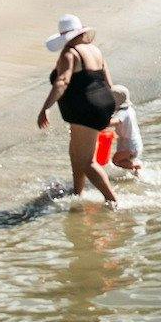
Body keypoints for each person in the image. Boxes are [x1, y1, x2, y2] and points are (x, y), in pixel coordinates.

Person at [37, 14, 120, 205]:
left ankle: (113, 201)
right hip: (98, 104)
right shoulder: (95, 51)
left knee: (87, 162)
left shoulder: (70, 54)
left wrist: (45, 108)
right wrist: (108, 108)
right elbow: (108, 82)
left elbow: (62, 81)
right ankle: (77, 192)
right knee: (75, 152)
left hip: (85, 110)